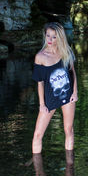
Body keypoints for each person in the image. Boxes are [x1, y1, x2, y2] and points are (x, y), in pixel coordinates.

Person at [31, 22, 78, 153]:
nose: (50, 40)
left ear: (60, 38)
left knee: (68, 130)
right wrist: (42, 104)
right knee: (38, 135)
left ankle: (70, 166)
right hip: (49, 98)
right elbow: (39, 82)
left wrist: (75, 92)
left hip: (67, 95)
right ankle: (38, 170)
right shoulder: (40, 57)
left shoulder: (65, 52)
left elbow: (72, 72)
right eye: (48, 36)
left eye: (54, 37)